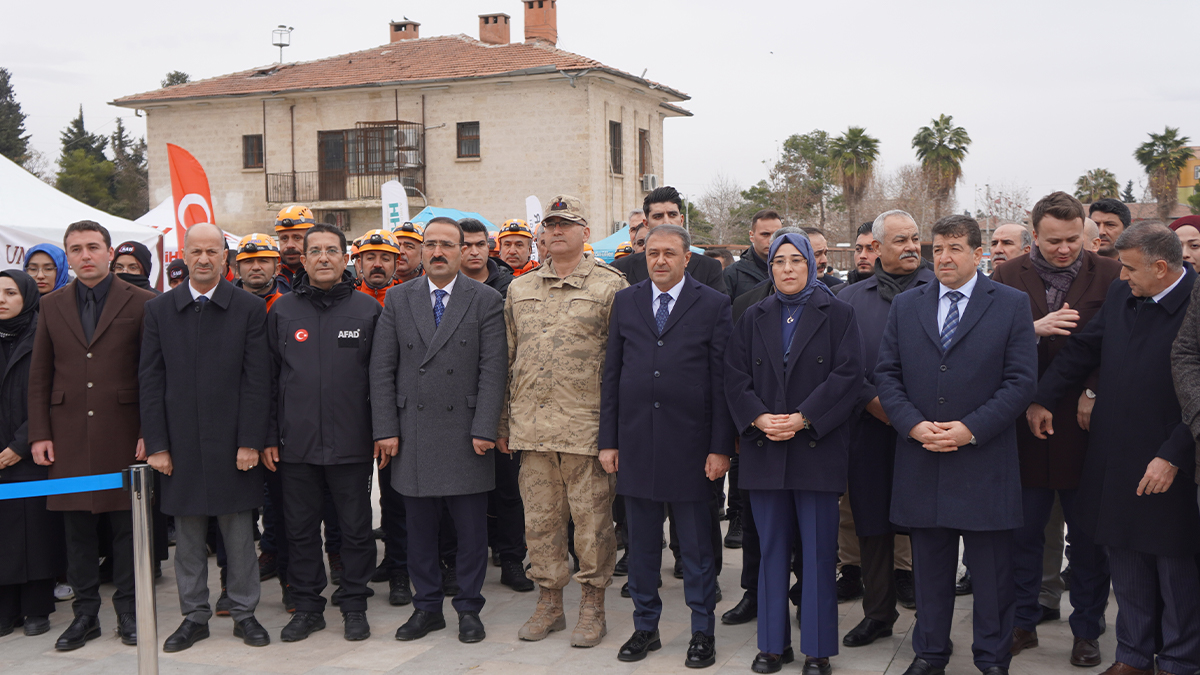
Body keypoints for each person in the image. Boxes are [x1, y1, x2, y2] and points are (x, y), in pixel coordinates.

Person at [1034, 223, 1199, 675]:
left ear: (1162, 268)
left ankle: (1180, 661)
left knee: (1175, 568)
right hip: (1114, 453)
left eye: (1129, 268)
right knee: (1124, 559)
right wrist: (1043, 397)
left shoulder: (1196, 303)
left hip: (1171, 458)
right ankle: (1133, 655)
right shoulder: (1122, 295)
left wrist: (1175, 455)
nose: (1122, 276)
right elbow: (1084, 350)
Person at [875, 215, 1037, 675]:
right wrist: (912, 425)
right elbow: (886, 373)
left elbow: (1020, 381)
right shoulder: (908, 306)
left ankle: (991, 657)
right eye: (938, 249)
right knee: (929, 572)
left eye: (955, 249)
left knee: (991, 575)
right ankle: (929, 653)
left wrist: (971, 428)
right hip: (922, 458)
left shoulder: (1010, 304)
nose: (943, 257)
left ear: (977, 252)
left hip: (984, 460)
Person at [725, 231, 862, 675]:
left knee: (821, 554)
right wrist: (758, 417)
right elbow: (734, 376)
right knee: (770, 552)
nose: (787, 268)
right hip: (765, 448)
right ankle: (772, 645)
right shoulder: (752, 316)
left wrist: (804, 418)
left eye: (796, 261)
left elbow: (848, 377)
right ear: (770, 267)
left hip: (815, 449)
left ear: (812, 265)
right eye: (779, 261)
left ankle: (818, 650)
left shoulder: (839, 314)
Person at [992, 192, 1120, 668]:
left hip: (1088, 428)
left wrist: (1093, 390)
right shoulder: (1005, 276)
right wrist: (1032, 329)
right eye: (1052, 242)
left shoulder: (1110, 274)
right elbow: (989, 346)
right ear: (1033, 235)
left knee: (1087, 539)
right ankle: (1023, 622)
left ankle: (1087, 629)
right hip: (1024, 427)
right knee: (1023, 534)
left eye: (1072, 240)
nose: (1064, 250)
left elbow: (1123, 346)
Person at [599, 224, 733, 668]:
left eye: (669, 253)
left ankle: (701, 632)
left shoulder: (713, 304)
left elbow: (721, 382)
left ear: (686, 258)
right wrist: (609, 441)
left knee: (695, 551)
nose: (660, 260)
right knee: (640, 548)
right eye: (653, 252)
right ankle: (645, 628)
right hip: (636, 445)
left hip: (692, 450)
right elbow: (613, 375)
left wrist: (720, 448)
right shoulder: (626, 300)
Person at [498, 194, 628, 647]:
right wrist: (503, 425)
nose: (556, 232)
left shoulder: (612, 287)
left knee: (592, 526)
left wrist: (615, 432)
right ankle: (549, 604)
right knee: (540, 524)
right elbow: (508, 358)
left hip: (586, 431)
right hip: (532, 432)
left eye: (566, 224)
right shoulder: (520, 288)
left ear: (585, 232)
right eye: (550, 225)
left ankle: (592, 606)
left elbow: (620, 364)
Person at [370, 216, 508, 644]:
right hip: (412, 432)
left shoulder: (484, 299)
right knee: (419, 532)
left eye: (447, 244)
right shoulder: (398, 298)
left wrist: (485, 426)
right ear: (420, 250)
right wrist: (385, 429)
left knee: (470, 533)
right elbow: (382, 369)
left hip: (466, 433)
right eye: (430, 244)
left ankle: (469, 609)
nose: (438, 252)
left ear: (462, 248)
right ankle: (426, 607)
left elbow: (493, 369)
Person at [138, 223, 272, 651]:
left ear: (225, 258)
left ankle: (245, 613)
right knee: (190, 539)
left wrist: (250, 440)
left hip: (234, 444)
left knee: (239, 536)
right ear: (184, 255)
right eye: (196, 251)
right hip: (179, 445)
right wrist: (157, 445)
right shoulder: (160, 310)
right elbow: (150, 381)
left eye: (212, 251)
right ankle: (193, 616)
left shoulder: (248, 308)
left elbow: (258, 380)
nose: (203, 259)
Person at [28, 220, 157, 651]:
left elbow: (153, 376)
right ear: (70, 256)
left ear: (107, 251)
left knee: (126, 529)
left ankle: (127, 611)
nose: (85, 255)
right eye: (76, 249)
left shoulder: (142, 302)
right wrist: (40, 433)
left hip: (122, 433)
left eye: (92, 247)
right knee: (77, 531)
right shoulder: (52, 304)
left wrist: (148, 433)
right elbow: (40, 374)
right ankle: (85, 615)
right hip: (65, 435)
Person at [263, 224, 381, 643]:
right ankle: (308, 607)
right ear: (303, 258)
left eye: (332, 250)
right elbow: (269, 380)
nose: (324, 258)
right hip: (295, 445)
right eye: (315, 251)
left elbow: (380, 379)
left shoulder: (368, 311)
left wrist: (382, 433)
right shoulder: (282, 310)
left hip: (352, 443)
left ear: (346, 258)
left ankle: (354, 604)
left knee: (354, 528)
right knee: (299, 530)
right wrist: (267, 437)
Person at [836, 210, 937, 649]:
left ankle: (933, 620)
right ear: (876, 247)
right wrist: (877, 404)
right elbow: (843, 366)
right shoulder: (849, 299)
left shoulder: (942, 291)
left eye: (915, 238)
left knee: (930, 529)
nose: (912, 246)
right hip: (870, 429)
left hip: (930, 433)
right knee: (873, 528)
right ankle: (878, 613)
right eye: (900, 240)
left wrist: (914, 419)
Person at [0, 270, 64, 638]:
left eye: (11, 292)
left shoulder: (42, 335)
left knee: (35, 534)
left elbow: (50, 394)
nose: (3, 299)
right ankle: (5, 609)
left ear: (26, 296)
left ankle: (37, 607)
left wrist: (18, 445)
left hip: (32, 451)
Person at [613, 187, 726, 293]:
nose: (666, 221)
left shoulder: (708, 268)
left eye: (672, 215)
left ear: (681, 220)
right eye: (658, 216)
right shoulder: (622, 269)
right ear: (646, 223)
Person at [724, 209, 782, 300]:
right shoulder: (732, 273)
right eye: (765, 234)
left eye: (776, 235)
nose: (771, 240)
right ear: (752, 236)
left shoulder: (793, 270)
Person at [461, 219, 514, 299]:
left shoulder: (511, 286)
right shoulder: (443, 285)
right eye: (467, 245)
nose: (475, 252)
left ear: (488, 247)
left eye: (480, 244)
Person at [234, 234, 289, 310]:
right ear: (237, 270)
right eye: (248, 261)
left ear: (277, 269)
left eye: (263, 261)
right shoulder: (224, 306)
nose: (256, 267)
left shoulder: (288, 307)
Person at [351, 229, 402, 304]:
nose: (377, 265)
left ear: (396, 265)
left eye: (385, 259)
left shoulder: (408, 300)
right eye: (370, 258)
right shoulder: (346, 300)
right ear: (360, 264)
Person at [274, 205, 316, 287]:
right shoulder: (267, 275)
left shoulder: (324, 273)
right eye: (284, 238)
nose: (290, 245)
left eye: (297, 238)